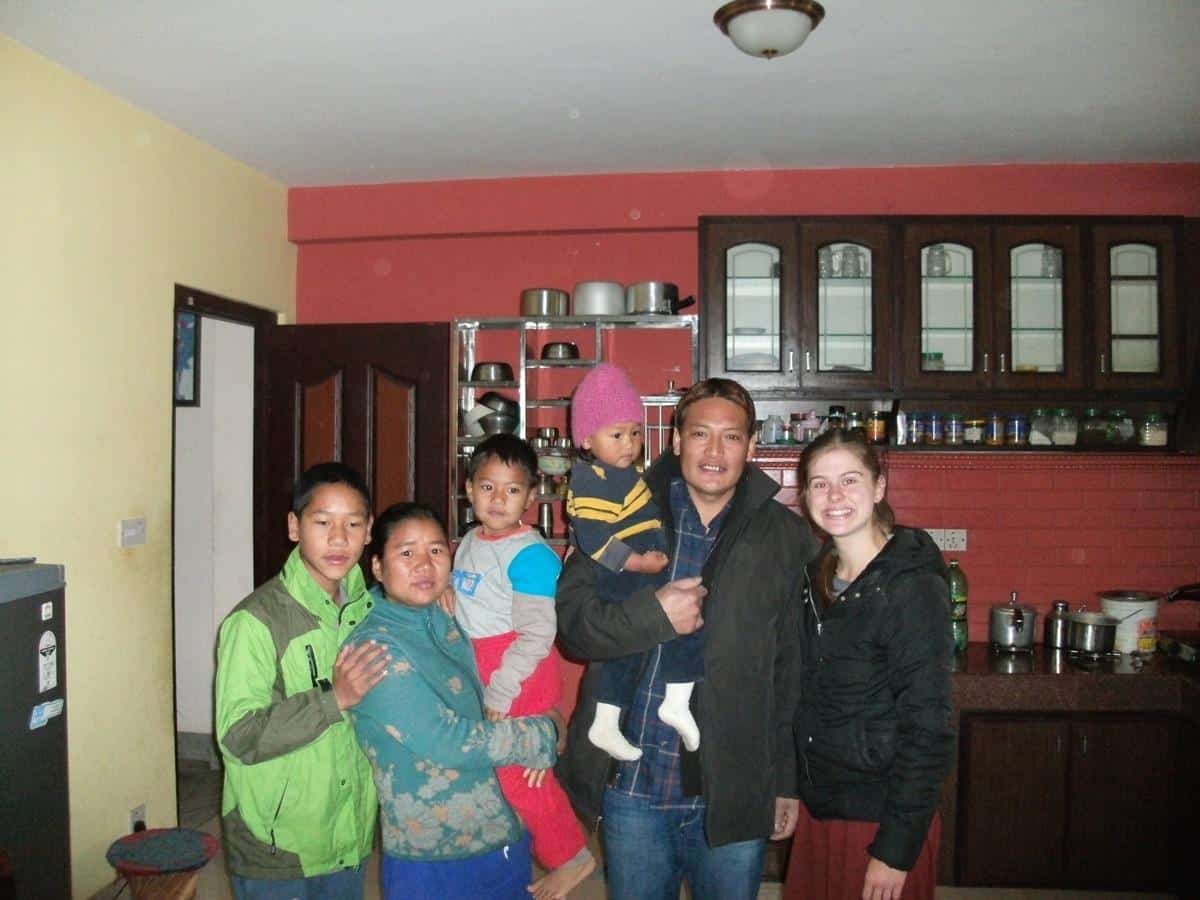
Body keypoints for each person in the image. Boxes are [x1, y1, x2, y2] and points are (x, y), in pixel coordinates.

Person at [556, 378, 819, 900]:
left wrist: (786, 781)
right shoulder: (617, 505)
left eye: (731, 436)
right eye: (700, 434)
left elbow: (791, 671)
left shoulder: (786, 538)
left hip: (733, 786)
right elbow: (573, 626)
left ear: (752, 446)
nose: (714, 451)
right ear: (676, 439)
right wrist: (654, 616)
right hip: (633, 783)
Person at [348, 502, 564, 900]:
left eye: (436, 550)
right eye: (406, 552)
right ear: (377, 566)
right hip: (432, 853)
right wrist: (544, 732)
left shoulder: (448, 617)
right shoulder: (374, 648)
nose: (424, 564)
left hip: (502, 833)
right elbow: (446, 741)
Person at [784, 427, 956, 900]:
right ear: (805, 497)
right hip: (822, 806)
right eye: (820, 484)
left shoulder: (911, 587)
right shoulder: (816, 579)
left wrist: (896, 850)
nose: (834, 496)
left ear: (879, 487)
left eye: (850, 480)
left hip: (880, 817)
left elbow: (929, 728)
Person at [215, 462, 390, 900]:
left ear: (369, 531)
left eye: (353, 524)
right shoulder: (254, 622)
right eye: (322, 522)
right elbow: (239, 736)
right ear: (294, 527)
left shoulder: (372, 613)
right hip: (277, 846)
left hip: (348, 834)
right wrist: (334, 699)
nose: (339, 538)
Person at [450, 434, 596, 898]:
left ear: (531, 497)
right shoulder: (471, 540)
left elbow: (536, 635)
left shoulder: (530, 555)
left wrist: (500, 688)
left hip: (518, 670)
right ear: (468, 489)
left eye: (512, 490)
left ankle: (572, 857)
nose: (498, 499)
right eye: (487, 487)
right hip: (486, 665)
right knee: (501, 774)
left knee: (520, 774)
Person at [565, 363, 699, 762]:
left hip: (642, 562)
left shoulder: (627, 473)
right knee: (626, 650)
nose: (629, 443)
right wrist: (638, 563)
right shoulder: (590, 479)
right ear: (586, 438)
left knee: (690, 620)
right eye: (617, 434)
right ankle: (606, 721)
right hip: (620, 572)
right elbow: (594, 541)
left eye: (636, 433)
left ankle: (676, 701)